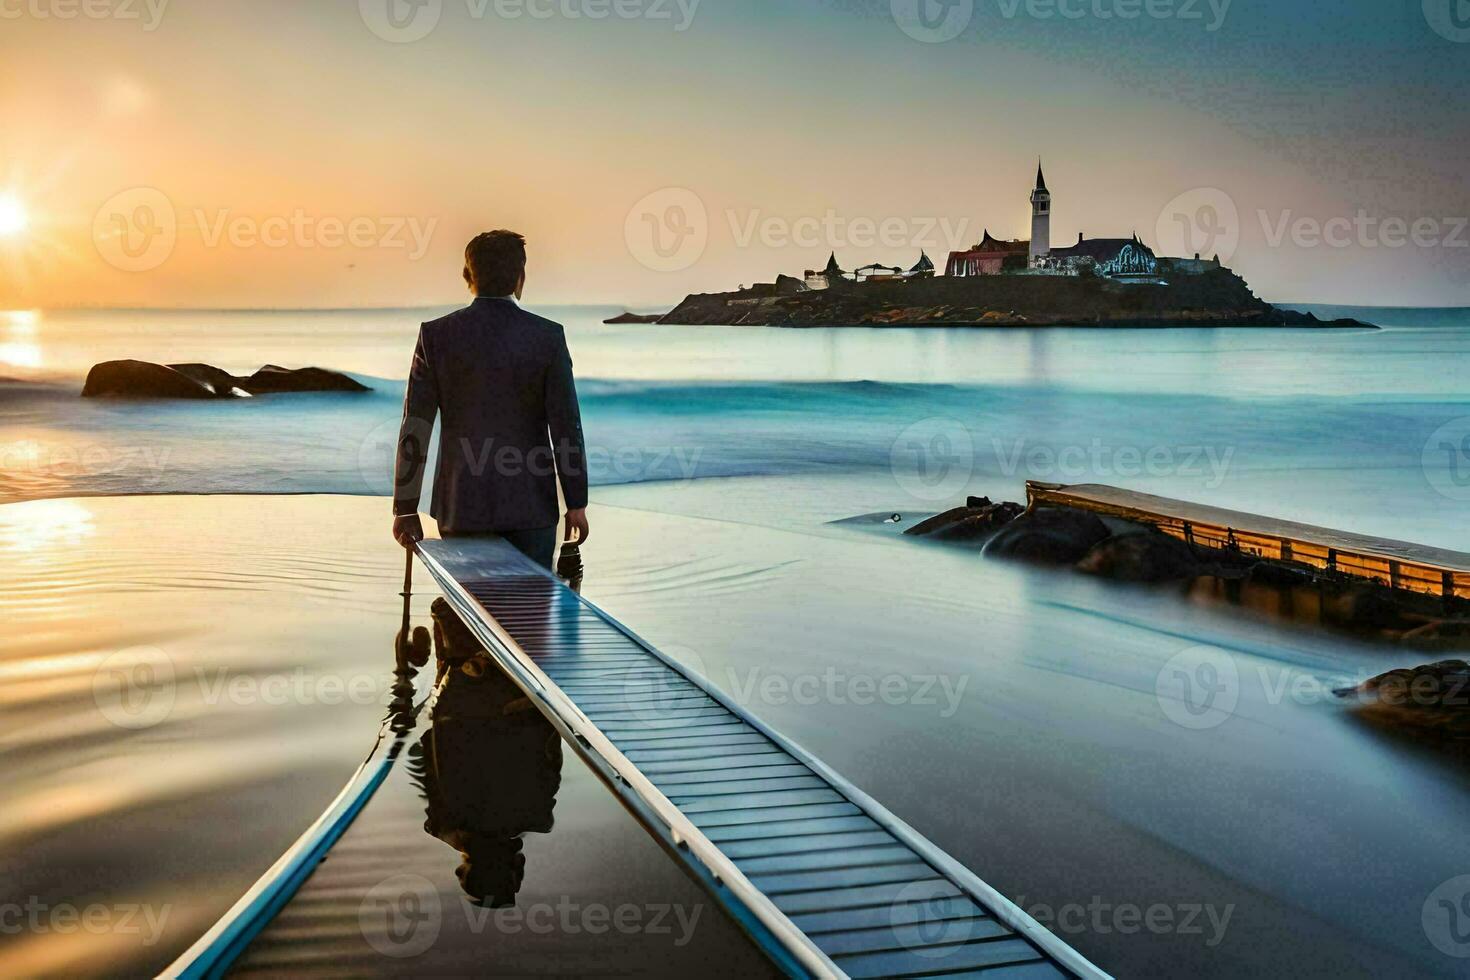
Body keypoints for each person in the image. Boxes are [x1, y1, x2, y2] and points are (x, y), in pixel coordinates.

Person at [390, 230, 589, 568]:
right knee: (530, 613)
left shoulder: (436, 336)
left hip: (462, 506)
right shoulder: (547, 337)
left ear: (468, 276)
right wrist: (576, 502)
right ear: (520, 277)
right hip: (532, 508)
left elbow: (416, 426)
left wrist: (406, 507)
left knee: (470, 610)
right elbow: (565, 425)